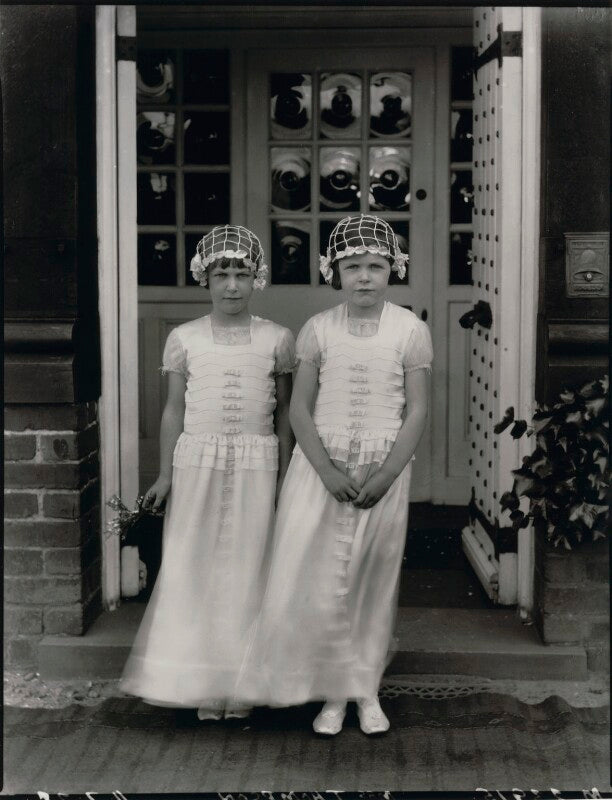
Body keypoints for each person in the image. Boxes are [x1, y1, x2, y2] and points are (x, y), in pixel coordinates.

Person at [237, 214, 432, 735]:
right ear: (334, 272)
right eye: (352, 267)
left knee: (370, 578)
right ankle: (329, 694)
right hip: (321, 467)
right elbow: (299, 408)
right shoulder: (319, 330)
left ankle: (364, 689)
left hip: (379, 468)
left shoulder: (410, 331)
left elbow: (416, 411)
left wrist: (388, 473)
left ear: (393, 269)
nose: (364, 277)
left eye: (375, 266)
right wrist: (323, 469)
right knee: (319, 578)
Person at [120, 225, 295, 720]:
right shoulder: (185, 339)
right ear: (206, 278)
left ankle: (241, 682)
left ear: (257, 278)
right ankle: (200, 681)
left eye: (242, 273)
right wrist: (165, 474)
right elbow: (174, 410)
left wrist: (283, 473)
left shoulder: (277, 339)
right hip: (198, 461)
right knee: (195, 563)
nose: (233, 285)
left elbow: (284, 411)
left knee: (249, 564)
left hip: (257, 461)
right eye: (223, 274)